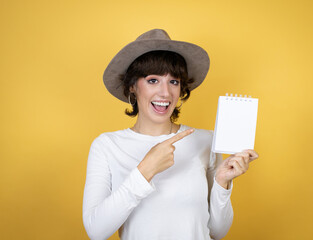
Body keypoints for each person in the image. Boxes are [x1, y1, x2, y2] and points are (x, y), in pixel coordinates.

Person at [82, 29, 259, 240]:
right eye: (153, 80)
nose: (165, 93)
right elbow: (95, 231)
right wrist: (145, 170)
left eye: (173, 81)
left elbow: (217, 232)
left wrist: (222, 183)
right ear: (132, 86)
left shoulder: (205, 141)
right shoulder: (107, 146)